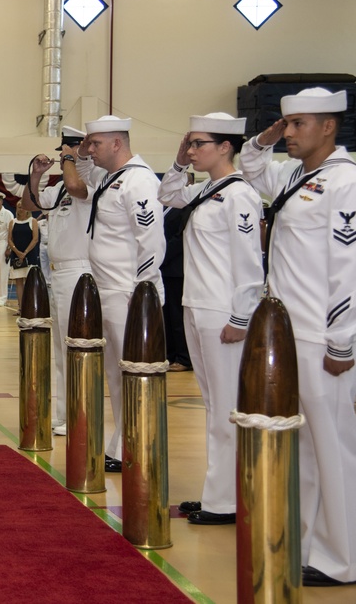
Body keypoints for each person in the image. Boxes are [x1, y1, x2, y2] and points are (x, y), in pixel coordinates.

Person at [239, 88, 356, 587]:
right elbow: (248, 164)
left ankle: (344, 557)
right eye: (286, 125)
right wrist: (270, 130)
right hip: (289, 332)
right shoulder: (297, 175)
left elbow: (349, 268)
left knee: (333, 447)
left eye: (299, 124)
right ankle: (311, 545)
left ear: (329, 126)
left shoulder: (346, 183)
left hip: (320, 333)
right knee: (305, 447)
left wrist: (343, 341)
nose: (288, 134)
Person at [158, 113, 263, 527]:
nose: (193, 149)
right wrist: (180, 160)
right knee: (213, 405)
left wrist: (241, 317)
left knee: (227, 407)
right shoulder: (208, 189)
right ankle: (217, 494)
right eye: (191, 143)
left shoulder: (240, 195)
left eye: (200, 143)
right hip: (196, 305)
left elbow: (249, 264)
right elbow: (168, 193)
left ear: (225, 147)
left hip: (223, 311)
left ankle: (229, 501)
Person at [75, 115, 165, 473]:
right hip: (107, 290)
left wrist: (145, 294)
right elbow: (82, 171)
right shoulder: (109, 177)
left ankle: (136, 443)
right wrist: (82, 150)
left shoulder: (139, 181)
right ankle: (123, 443)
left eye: (96, 144)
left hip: (129, 293)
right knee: (115, 374)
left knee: (130, 372)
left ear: (117, 144)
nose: (91, 151)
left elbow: (151, 242)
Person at [20, 126, 93, 436]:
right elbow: (30, 203)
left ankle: (78, 413)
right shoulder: (61, 188)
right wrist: (35, 176)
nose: (62, 156)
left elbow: (77, 185)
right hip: (59, 272)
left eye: (67, 149)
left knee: (75, 346)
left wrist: (70, 160)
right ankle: (64, 414)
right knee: (62, 348)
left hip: (81, 270)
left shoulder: (89, 181)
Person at [160, 176, 194, 374]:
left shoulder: (186, 207)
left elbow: (180, 237)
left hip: (176, 268)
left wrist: (162, 256)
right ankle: (170, 354)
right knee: (168, 315)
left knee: (177, 316)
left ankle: (184, 357)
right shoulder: (165, 208)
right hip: (165, 268)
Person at [7, 201, 40, 315]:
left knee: (30, 281)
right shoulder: (13, 222)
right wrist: (17, 252)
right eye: (18, 207)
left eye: (22, 207)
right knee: (19, 282)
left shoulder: (33, 221)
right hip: (17, 256)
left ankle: (31, 307)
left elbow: (35, 239)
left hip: (29, 255)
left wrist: (25, 252)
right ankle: (20, 308)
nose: (20, 209)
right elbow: (10, 239)